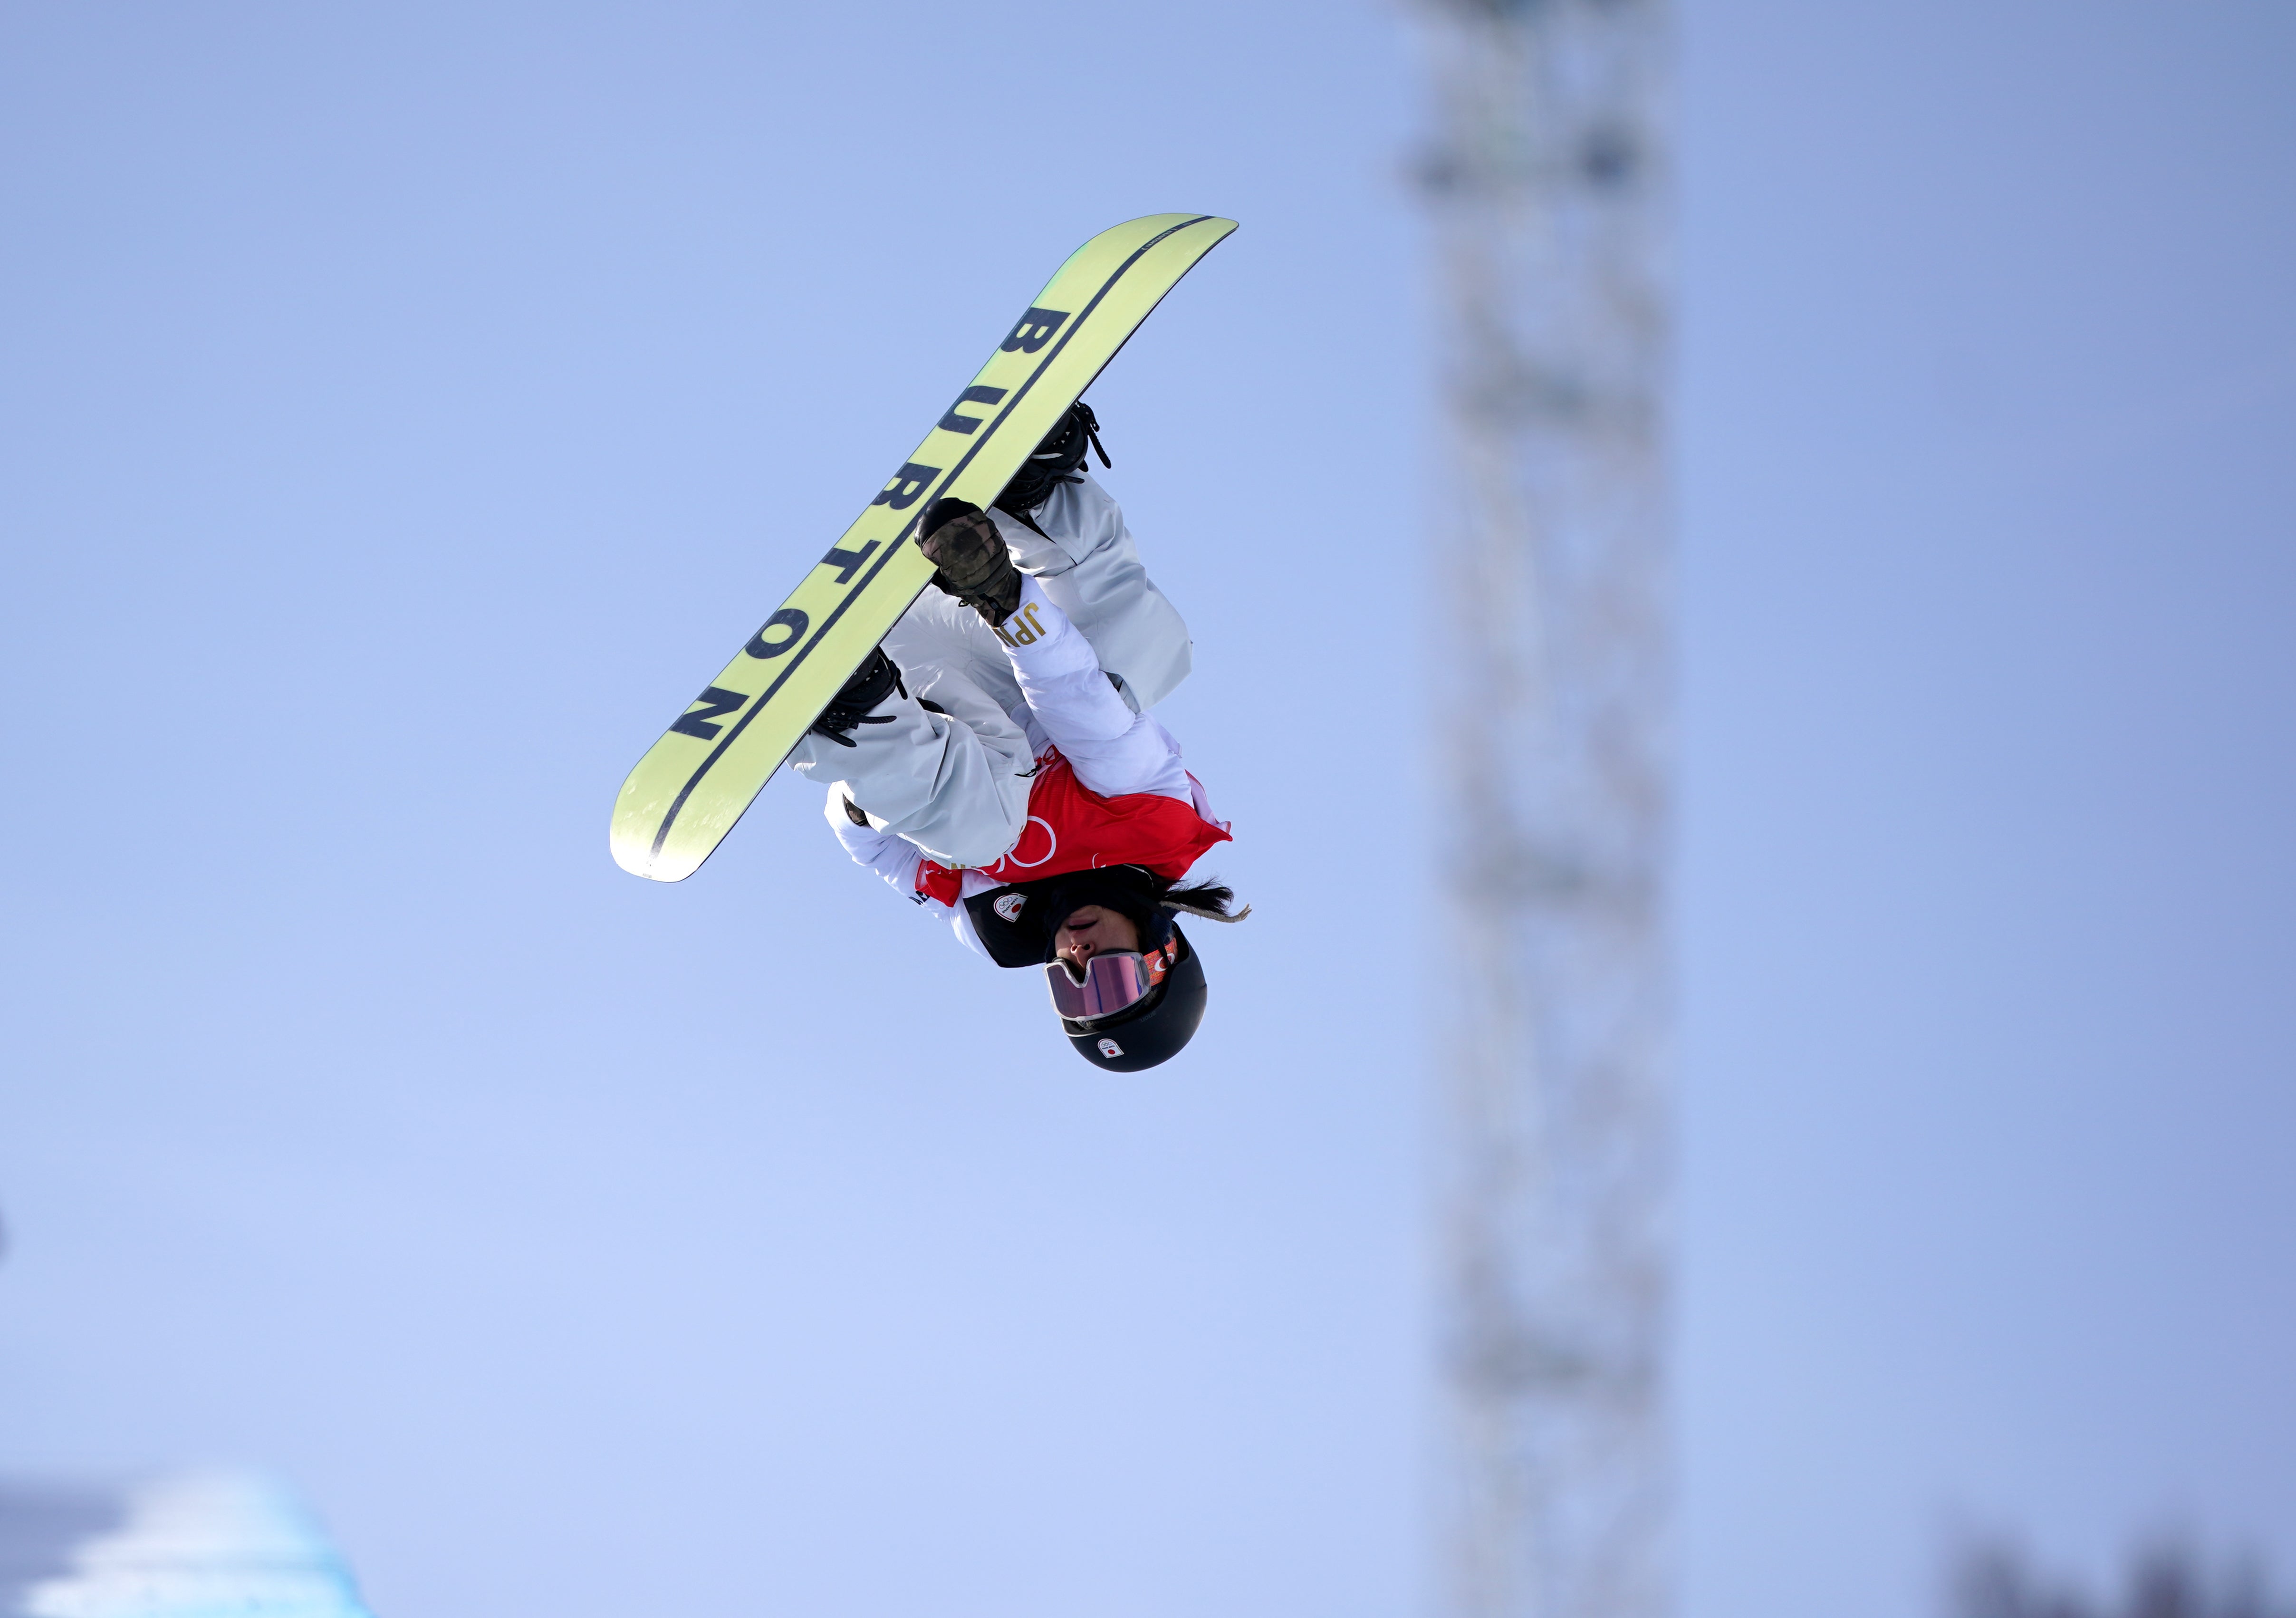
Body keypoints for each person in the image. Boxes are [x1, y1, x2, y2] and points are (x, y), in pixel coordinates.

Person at [785, 403, 1246, 1071]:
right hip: (975, 594)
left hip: (909, 690)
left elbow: (881, 855)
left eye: (1068, 987)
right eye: (1111, 981)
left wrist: (857, 804)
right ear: (1161, 951)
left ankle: (853, 714)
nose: (1077, 962)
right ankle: (1039, 496)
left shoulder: (997, 924)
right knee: (1148, 659)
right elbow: (1078, 702)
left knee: (980, 834)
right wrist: (1007, 600)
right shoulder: (1158, 829)